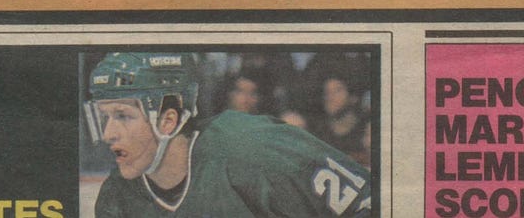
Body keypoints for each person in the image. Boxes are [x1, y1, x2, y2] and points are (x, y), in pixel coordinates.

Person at [86, 52, 375, 218]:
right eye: (104, 117)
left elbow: (371, 203)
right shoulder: (117, 198)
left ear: (168, 119)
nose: (109, 133)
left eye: (123, 116)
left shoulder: (253, 147)